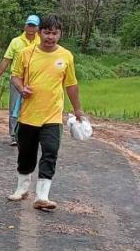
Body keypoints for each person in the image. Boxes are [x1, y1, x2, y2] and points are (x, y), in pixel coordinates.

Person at [9, 14, 84, 212]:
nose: (50, 37)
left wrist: (77, 109)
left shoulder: (66, 56)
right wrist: (21, 88)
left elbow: (71, 84)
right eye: (47, 32)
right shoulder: (26, 53)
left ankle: (42, 196)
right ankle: (22, 188)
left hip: (53, 116)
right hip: (28, 115)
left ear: (60, 34)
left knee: (50, 151)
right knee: (26, 153)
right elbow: (15, 76)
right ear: (40, 32)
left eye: (55, 33)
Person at [0, 14, 41, 146]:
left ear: (38, 28)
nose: (30, 28)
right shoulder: (15, 42)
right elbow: (6, 60)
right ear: (25, 25)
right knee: (14, 108)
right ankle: (13, 135)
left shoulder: (41, 42)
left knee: (31, 109)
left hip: (34, 81)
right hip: (17, 80)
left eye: (33, 26)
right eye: (29, 25)